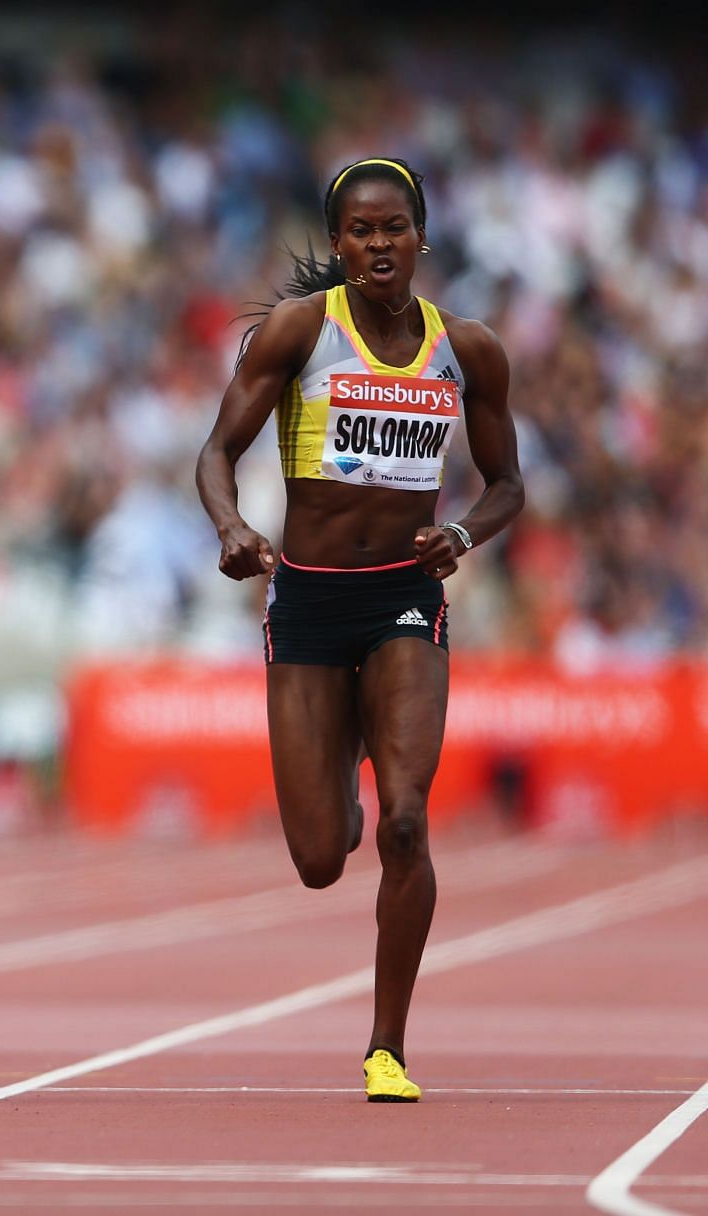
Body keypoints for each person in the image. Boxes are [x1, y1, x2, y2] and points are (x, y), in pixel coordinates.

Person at [196, 157, 524, 1102]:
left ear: (421, 236)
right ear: (338, 244)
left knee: (409, 822)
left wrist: (461, 532)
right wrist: (232, 528)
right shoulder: (305, 330)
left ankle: (388, 1046)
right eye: (360, 232)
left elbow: (508, 483)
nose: (379, 245)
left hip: (404, 601)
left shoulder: (468, 349)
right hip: (306, 602)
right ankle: (339, 771)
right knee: (317, 858)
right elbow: (218, 451)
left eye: (394, 229)